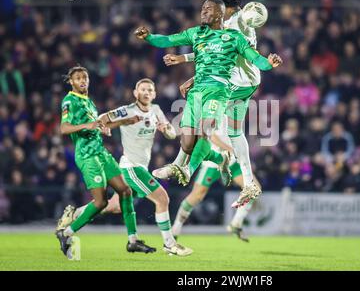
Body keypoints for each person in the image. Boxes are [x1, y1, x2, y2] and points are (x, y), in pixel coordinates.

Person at [134, 0, 282, 208]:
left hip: (225, 88)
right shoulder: (197, 33)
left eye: (208, 9)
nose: (203, 11)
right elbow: (169, 41)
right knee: (189, 139)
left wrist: (268, 63)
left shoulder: (235, 34)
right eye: (202, 8)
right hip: (199, 92)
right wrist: (149, 37)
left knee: (207, 128)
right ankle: (227, 166)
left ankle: (184, 168)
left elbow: (254, 58)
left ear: (222, 12)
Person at [57, 78, 193, 256]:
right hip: (131, 167)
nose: (146, 92)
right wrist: (105, 127)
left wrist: (165, 129)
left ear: (154, 94)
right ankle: (169, 244)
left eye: (150, 90)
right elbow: (101, 118)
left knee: (115, 206)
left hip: (141, 167)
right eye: (143, 90)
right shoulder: (126, 111)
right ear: (136, 93)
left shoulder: (156, 110)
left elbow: (172, 134)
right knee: (162, 199)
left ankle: (74, 214)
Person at [55, 66, 155, 259]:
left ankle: (133, 240)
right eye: (78, 78)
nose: (83, 81)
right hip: (87, 155)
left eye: (85, 77)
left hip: (101, 153)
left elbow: (99, 125)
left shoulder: (89, 103)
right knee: (101, 202)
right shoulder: (69, 100)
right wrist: (87, 125)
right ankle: (65, 234)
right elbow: (64, 128)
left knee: (125, 191)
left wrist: (120, 123)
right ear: (71, 82)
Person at [172, 119, 262, 242]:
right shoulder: (215, 107)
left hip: (232, 161)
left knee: (253, 188)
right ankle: (175, 228)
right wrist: (230, 148)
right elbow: (212, 136)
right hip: (214, 162)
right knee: (197, 195)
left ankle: (236, 223)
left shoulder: (234, 109)